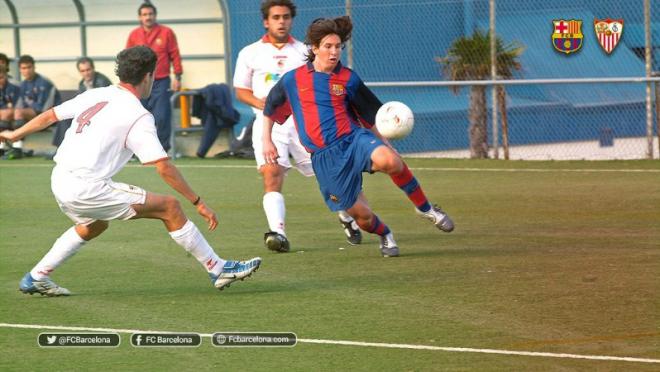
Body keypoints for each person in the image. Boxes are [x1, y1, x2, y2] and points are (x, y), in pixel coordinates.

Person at [0, 46, 260, 296]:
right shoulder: (138, 115)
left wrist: (15, 133)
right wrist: (199, 202)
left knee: (94, 225)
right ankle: (218, 268)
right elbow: (163, 167)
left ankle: (37, 276)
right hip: (86, 187)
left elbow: (50, 116)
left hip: (59, 179)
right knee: (170, 207)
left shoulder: (96, 94)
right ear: (148, 77)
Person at [263, 17, 454, 257]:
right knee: (363, 218)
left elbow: (371, 116)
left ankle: (426, 209)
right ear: (314, 48)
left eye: (338, 46)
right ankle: (385, 234)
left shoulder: (348, 78)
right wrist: (266, 140)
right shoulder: (293, 79)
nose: (334, 52)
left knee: (391, 162)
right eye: (328, 46)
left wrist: (387, 145)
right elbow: (270, 108)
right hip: (325, 158)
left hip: (353, 140)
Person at [233, 0, 361, 253]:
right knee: (272, 174)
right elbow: (240, 91)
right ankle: (278, 233)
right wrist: (261, 102)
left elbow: (324, 78)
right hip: (269, 124)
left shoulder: (304, 50)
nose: (282, 21)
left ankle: (346, 216)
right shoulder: (250, 52)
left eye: (286, 17)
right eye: (276, 17)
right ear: (266, 21)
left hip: (306, 123)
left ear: (291, 20)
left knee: (330, 176)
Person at [126, 2, 183, 152]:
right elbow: (127, 58)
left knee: (162, 116)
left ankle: (162, 150)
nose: (148, 17)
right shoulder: (134, 35)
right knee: (138, 117)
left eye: (150, 14)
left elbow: (175, 54)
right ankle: (137, 150)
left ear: (155, 15)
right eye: (144, 15)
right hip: (139, 82)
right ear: (140, 17)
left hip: (161, 81)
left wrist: (178, 76)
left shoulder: (166, 32)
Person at [53, 57, 114, 148]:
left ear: (93, 68)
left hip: (101, 113)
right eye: (83, 71)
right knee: (64, 118)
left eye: (88, 70)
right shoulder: (82, 83)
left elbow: (103, 103)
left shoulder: (102, 81)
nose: (86, 73)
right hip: (88, 112)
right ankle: (61, 147)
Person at [9, 55, 60, 159]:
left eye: (29, 67)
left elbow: (44, 109)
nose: (27, 71)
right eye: (24, 68)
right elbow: (20, 105)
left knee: (18, 113)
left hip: (53, 115)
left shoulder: (44, 83)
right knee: (10, 114)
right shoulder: (23, 85)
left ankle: (17, 148)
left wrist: (21, 112)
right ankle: (13, 148)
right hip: (34, 115)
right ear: (20, 70)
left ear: (34, 67)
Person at [0, 65, 19, 156]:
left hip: (13, 116)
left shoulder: (14, 89)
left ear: (6, 76)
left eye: (1, 78)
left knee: (5, 114)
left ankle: (3, 147)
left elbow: (17, 107)